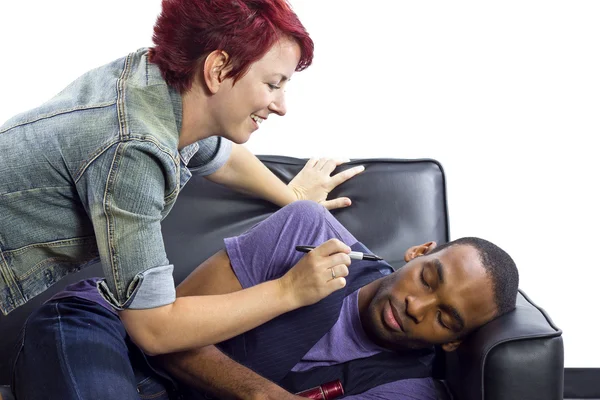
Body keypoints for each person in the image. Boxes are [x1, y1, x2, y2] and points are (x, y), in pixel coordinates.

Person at [2, 0, 364, 398]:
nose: (280, 106)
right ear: (218, 69)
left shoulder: (158, 86)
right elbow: (154, 329)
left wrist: (292, 195)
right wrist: (289, 291)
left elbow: (218, 155)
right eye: (273, 84)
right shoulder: (133, 153)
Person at [156, 201, 520, 399]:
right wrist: (258, 393)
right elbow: (163, 325)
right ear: (419, 252)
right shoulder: (310, 231)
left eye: (444, 319)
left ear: (455, 341)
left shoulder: (405, 391)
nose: (416, 307)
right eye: (427, 280)